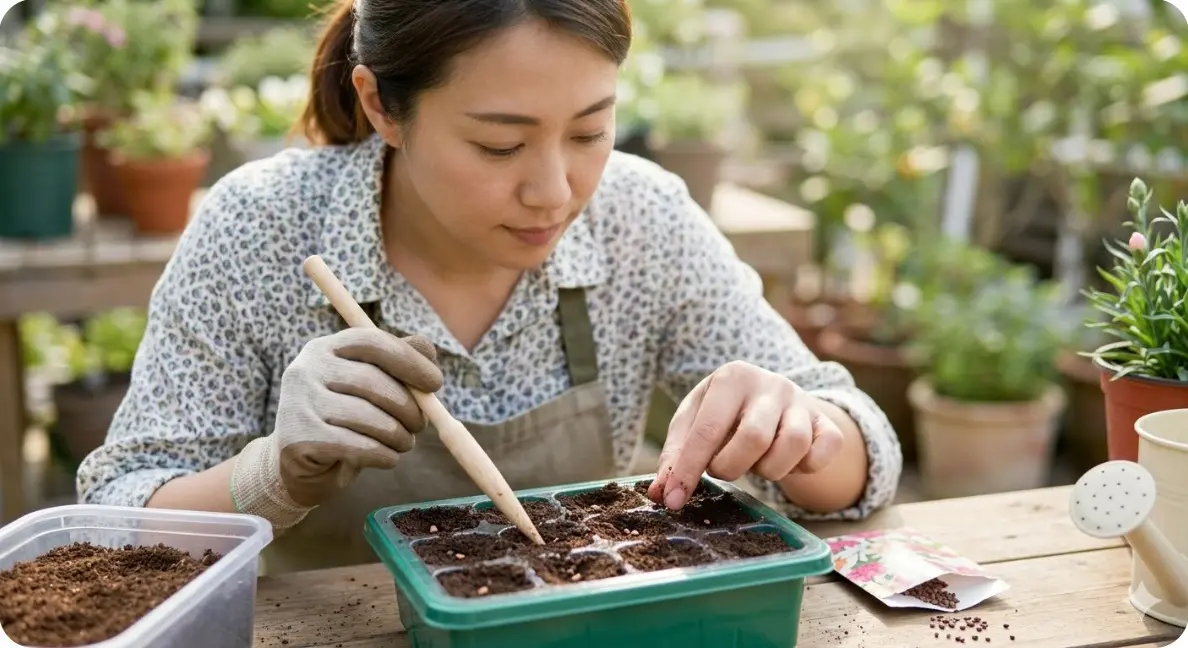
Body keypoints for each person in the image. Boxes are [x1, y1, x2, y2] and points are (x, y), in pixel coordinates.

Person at [76, 0, 902, 574]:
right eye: (500, 146)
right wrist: (271, 474)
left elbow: (866, 454)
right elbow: (111, 525)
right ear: (381, 105)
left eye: (590, 130)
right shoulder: (260, 230)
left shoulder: (639, 220)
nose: (554, 191)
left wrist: (804, 431)